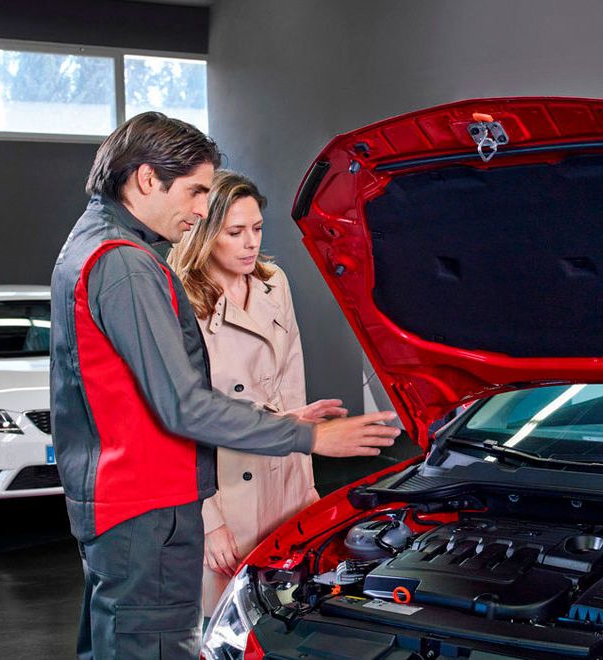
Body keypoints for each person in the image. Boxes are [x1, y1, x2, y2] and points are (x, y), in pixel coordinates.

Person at [50, 112, 401, 660]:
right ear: (147, 179)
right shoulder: (126, 264)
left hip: (121, 505)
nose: (199, 209)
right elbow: (184, 405)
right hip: (147, 510)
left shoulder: (90, 243)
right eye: (194, 192)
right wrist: (312, 440)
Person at [166, 170, 340, 617]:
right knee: (225, 624)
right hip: (225, 486)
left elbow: (290, 381)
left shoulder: (273, 282)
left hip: (282, 475)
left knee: (288, 616)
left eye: (257, 229)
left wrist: (305, 488)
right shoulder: (178, 297)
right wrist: (209, 524)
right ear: (205, 234)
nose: (251, 243)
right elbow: (179, 421)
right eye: (236, 232)